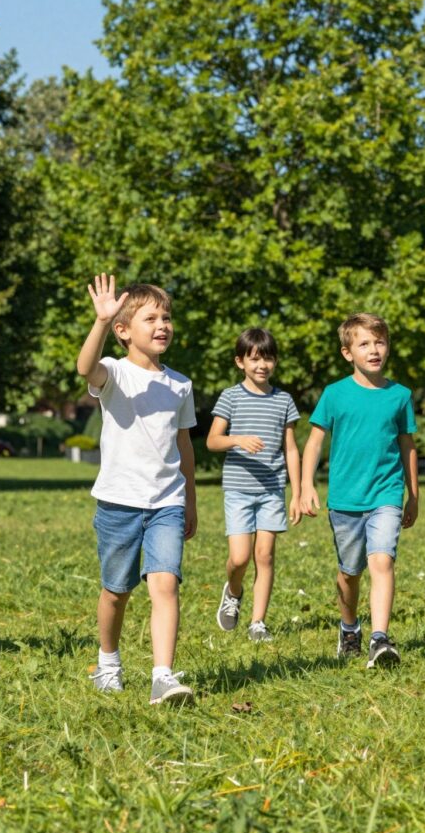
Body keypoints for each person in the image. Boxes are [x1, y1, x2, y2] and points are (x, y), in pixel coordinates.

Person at [78, 274, 198, 705]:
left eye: (166, 317)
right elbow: (84, 367)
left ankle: (162, 675)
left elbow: (184, 445)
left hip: (166, 501)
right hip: (118, 502)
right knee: (116, 591)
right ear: (124, 331)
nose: (162, 324)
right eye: (151, 318)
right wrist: (100, 321)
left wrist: (190, 500)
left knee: (165, 584)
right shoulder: (114, 372)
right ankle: (108, 661)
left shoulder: (180, 384)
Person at [300, 313, 418, 668]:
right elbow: (315, 442)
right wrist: (305, 485)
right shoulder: (335, 394)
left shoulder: (400, 395)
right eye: (364, 343)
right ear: (347, 352)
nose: (374, 350)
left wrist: (413, 494)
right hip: (345, 499)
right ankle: (349, 626)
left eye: (380, 342)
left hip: (386, 494)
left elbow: (407, 445)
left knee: (382, 560)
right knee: (349, 573)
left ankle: (380, 639)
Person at [206, 327, 301, 643]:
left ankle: (258, 622)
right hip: (238, 489)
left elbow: (291, 448)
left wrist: (297, 492)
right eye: (255, 359)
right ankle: (233, 591)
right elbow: (212, 440)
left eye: (268, 358)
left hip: (273, 489)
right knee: (240, 558)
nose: (262, 365)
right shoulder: (230, 396)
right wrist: (238, 440)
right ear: (240, 362)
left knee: (265, 555)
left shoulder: (284, 400)